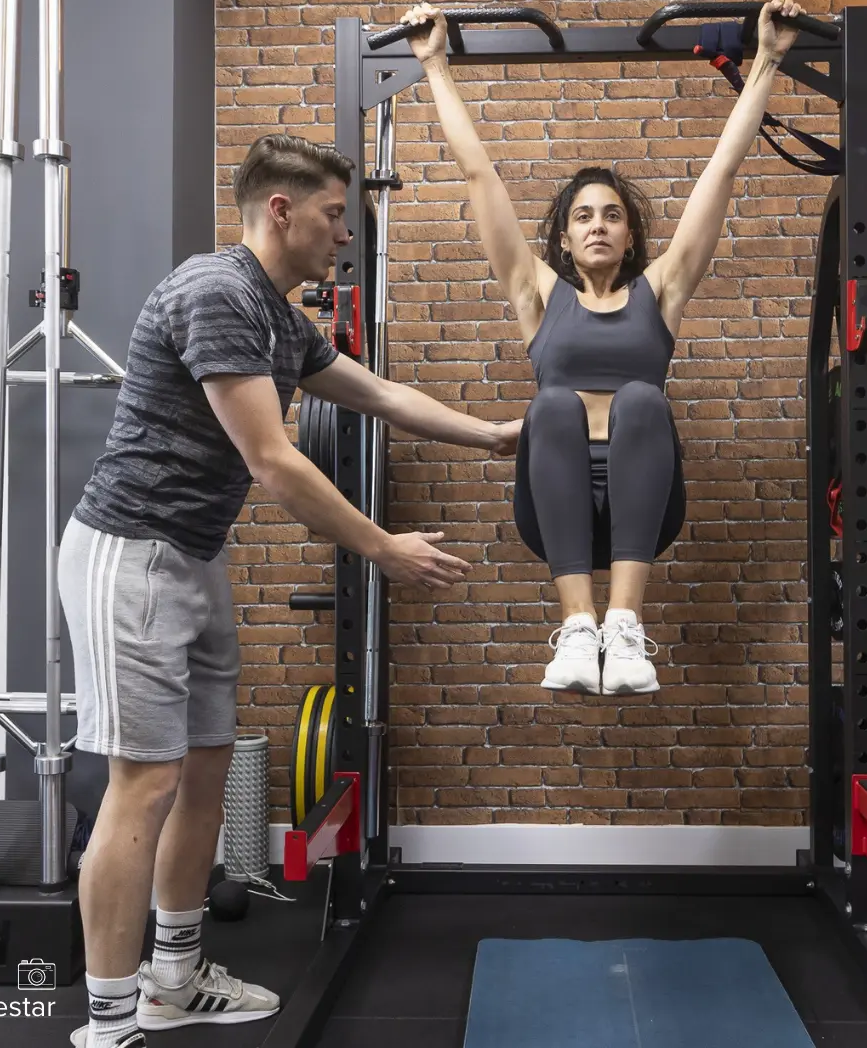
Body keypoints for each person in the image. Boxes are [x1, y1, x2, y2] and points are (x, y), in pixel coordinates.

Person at [56, 132, 523, 1048]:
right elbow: (272, 461)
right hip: (131, 555)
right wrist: (383, 547)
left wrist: (494, 436)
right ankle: (108, 1023)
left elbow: (378, 394)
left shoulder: (278, 315)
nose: (342, 236)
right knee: (141, 785)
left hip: (190, 556)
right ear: (281, 210)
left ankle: (175, 980)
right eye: (332, 216)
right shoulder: (219, 294)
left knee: (204, 772)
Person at [400, 0, 804, 697]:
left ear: (629, 237)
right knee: (552, 406)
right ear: (562, 238)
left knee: (643, 399)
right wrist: (434, 64)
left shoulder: (662, 292)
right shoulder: (536, 295)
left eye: (612, 216)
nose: (598, 226)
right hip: (552, 499)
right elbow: (479, 178)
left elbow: (720, 176)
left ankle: (622, 625)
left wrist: (767, 59)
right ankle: (578, 630)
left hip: (643, 501)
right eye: (583, 216)